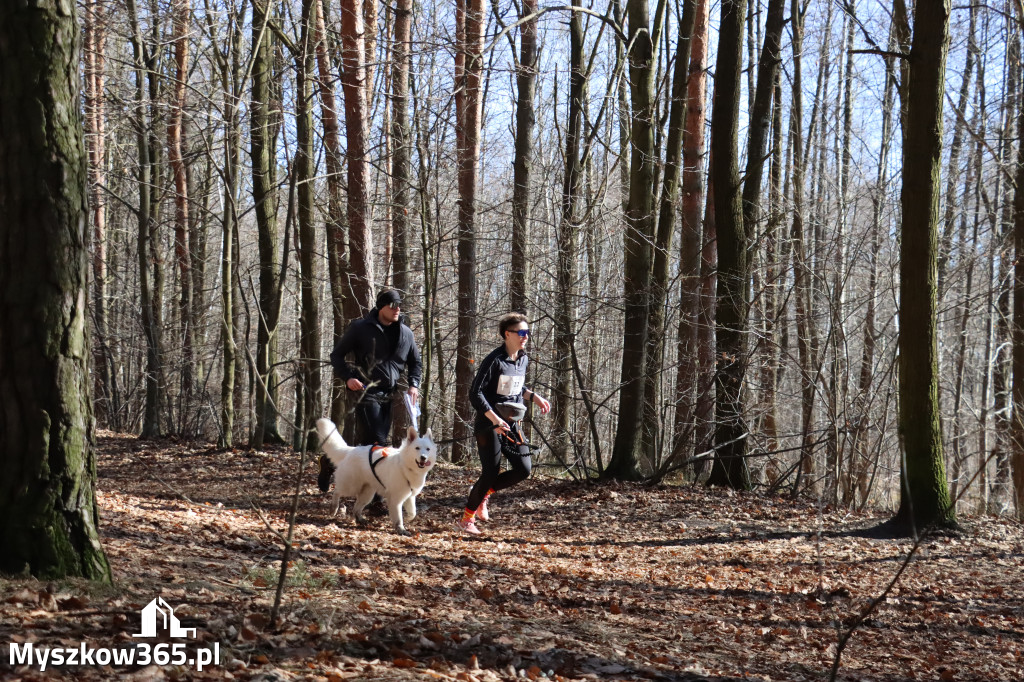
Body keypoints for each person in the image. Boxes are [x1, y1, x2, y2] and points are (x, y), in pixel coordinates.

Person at [318, 289, 422, 492]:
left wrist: (414, 384)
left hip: (388, 394)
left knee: (368, 445)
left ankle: (330, 462)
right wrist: (349, 378)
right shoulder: (361, 328)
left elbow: (415, 363)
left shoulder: (406, 333)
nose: (397, 309)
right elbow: (336, 355)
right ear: (381, 306)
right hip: (365, 392)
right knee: (380, 444)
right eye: (392, 305)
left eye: (399, 305)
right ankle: (376, 500)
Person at [456, 312, 550, 535]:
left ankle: (484, 495)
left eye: (528, 332)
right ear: (507, 334)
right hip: (489, 423)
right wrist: (495, 419)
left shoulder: (523, 358)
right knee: (490, 471)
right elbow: (475, 393)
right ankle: (466, 519)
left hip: (512, 423)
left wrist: (534, 396)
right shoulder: (494, 360)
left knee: (523, 469)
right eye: (522, 332)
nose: (526, 336)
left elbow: (515, 389)